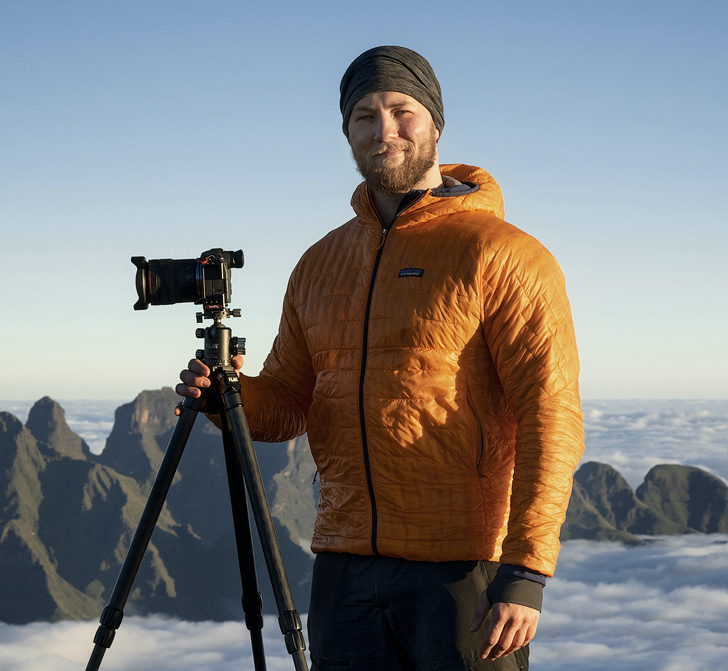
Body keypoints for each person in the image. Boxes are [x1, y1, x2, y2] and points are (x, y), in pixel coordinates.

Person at [176, 45, 584, 670]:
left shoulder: (505, 255)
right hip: (345, 567)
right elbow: (288, 405)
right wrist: (226, 396)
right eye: (364, 116)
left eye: (401, 111)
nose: (383, 130)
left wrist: (526, 571)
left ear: (435, 123)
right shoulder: (320, 264)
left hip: (463, 568)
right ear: (347, 133)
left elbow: (550, 416)